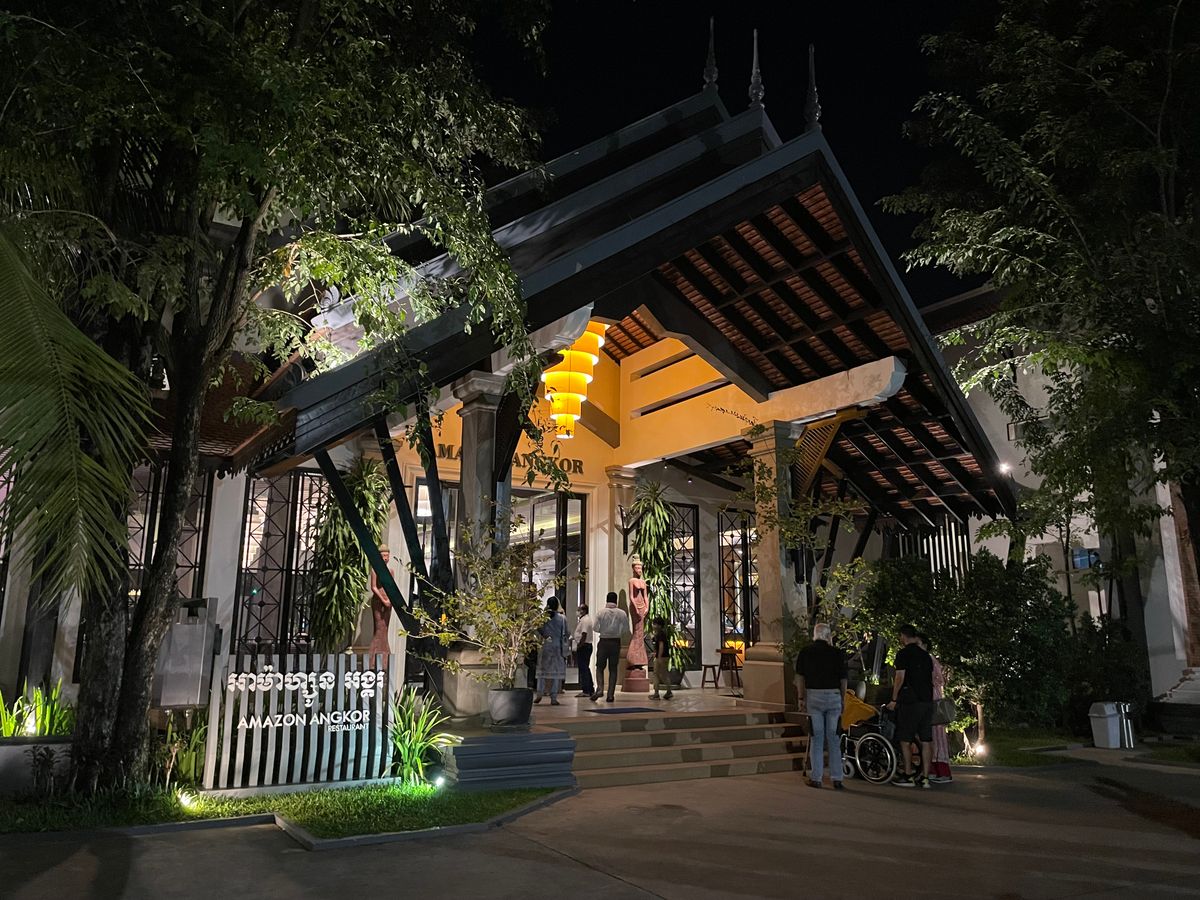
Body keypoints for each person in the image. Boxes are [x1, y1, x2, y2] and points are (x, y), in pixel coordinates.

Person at [795, 623, 848, 790]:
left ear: (815, 635)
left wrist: (801, 697)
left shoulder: (806, 652)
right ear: (828, 636)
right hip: (833, 696)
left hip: (814, 696)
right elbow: (843, 679)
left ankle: (816, 777)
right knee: (834, 738)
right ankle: (837, 778)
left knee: (816, 737)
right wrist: (842, 698)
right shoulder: (837, 653)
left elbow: (800, 677)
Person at [887, 624, 935, 788]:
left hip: (911, 702)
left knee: (905, 739)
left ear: (903, 636)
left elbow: (900, 677)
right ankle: (925, 778)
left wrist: (894, 699)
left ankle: (908, 775)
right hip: (927, 701)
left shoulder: (904, 654)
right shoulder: (926, 656)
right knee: (926, 739)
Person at [918, 633, 953, 784]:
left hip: (932, 699)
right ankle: (933, 769)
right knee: (931, 735)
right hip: (931, 697)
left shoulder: (928, 660)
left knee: (935, 735)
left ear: (925, 645)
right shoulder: (928, 659)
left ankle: (941, 770)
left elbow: (938, 680)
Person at [591, 592, 630, 702]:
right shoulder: (622, 613)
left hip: (603, 641)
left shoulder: (601, 612)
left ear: (606, 600)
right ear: (616, 600)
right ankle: (610, 694)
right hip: (615, 642)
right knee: (613, 669)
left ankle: (600, 688)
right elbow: (626, 629)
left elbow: (595, 628)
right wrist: (617, 632)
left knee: (599, 667)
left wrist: (603, 631)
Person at [534, 597, 569, 705]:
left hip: (545, 646)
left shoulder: (542, 618)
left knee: (542, 672)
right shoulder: (562, 618)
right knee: (556, 673)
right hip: (557, 646)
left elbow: (537, 629)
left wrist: (544, 635)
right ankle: (553, 697)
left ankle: (539, 693)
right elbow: (566, 633)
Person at [368, 545, 394, 656]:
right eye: (383, 556)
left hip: (388, 602)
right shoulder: (375, 570)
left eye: (387, 556)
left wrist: (390, 600)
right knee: (379, 629)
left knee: (385, 629)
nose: (385, 558)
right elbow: (374, 587)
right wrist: (384, 600)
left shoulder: (390, 571)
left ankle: (385, 657)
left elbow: (392, 587)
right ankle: (373, 658)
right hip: (379, 601)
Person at [626, 559, 649, 675]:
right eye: (637, 568)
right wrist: (635, 608)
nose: (639, 570)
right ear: (633, 569)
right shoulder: (632, 581)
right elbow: (631, 596)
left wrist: (647, 607)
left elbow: (645, 596)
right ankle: (633, 659)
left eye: (640, 568)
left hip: (642, 607)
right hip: (635, 607)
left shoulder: (643, 582)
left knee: (640, 634)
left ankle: (639, 660)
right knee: (636, 632)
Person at [573, 603, 595, 698]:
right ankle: (590, 689)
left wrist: (579, 645)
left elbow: (584, 634)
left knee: (584, 668)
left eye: (579, 609)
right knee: (585, 668)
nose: (578, 611)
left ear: (584, 610)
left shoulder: (585, 620)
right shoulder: (584, 619)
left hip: (584, 646)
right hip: (586, 646)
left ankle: (586, 690)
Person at [651, 617, 673, 700]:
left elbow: (661, 646)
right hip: (665, 656)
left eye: (655, 624)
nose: (654, 626)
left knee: (656, 674)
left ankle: (656, 693)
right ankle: (669, 692)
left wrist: (659, 656)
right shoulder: (660, 634)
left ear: (659, 626)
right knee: (664, 674)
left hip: (661, 657)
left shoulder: (660, 635)